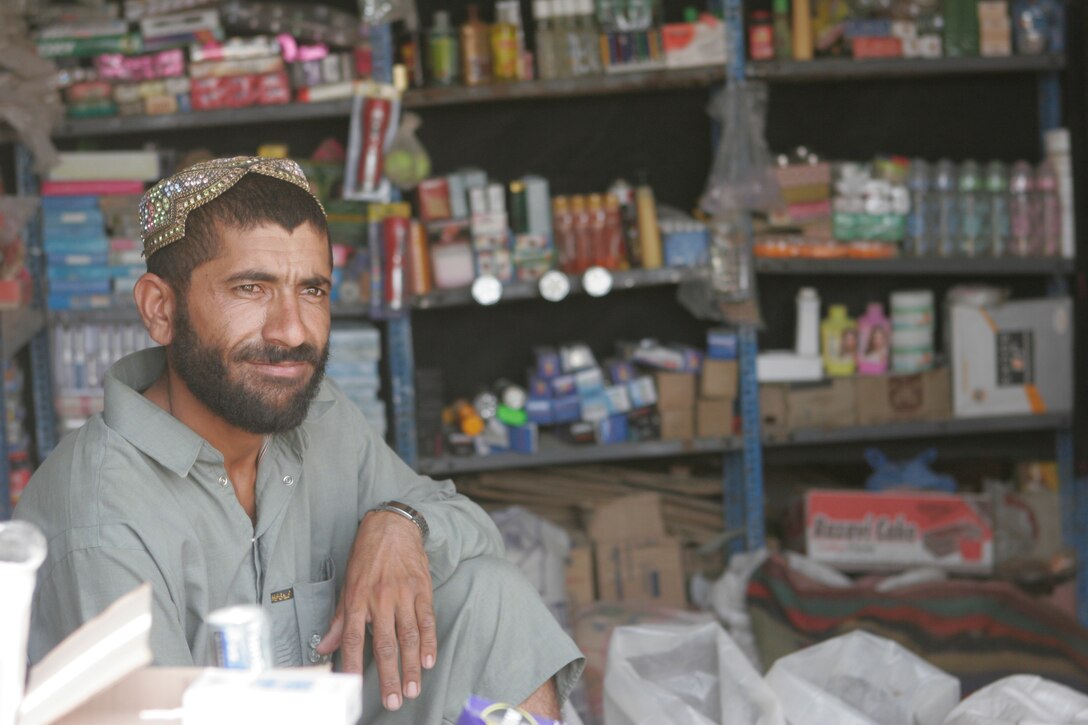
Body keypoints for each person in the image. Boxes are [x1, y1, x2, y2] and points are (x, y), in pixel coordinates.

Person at [15, 156, 583, 722]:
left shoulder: (317, 416)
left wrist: (400, 522)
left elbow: (470, 527)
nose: (291, 330)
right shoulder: (99, 521)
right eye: (251, 288)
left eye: (312, 290)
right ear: (161, 310)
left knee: (491, 594)